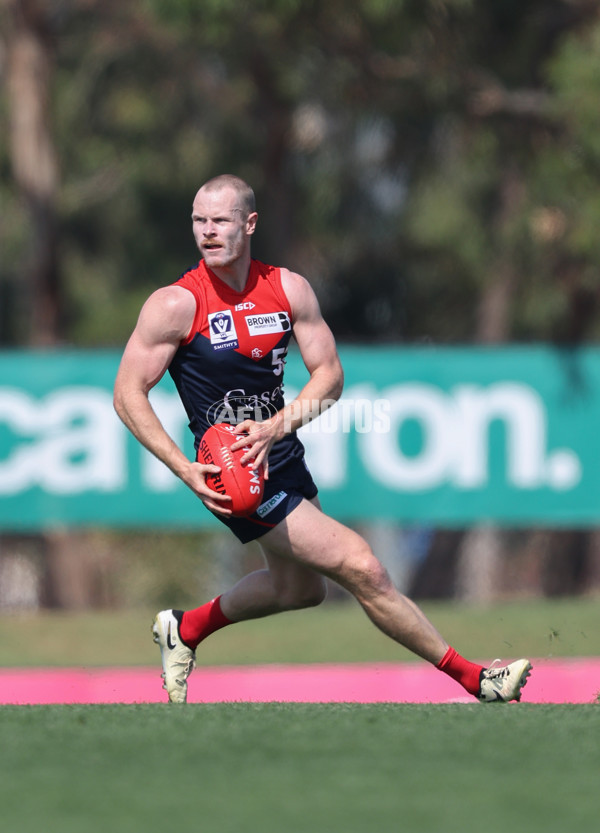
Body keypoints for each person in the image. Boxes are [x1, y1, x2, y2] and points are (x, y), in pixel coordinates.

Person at [113, 173, 532, 705]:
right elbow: (127, 393)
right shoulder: (175, 304)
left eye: (220, 220)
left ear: (250, 222)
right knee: (363, 566)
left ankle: (184, 629)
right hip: (233, 471)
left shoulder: (288, 288)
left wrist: (274, 427)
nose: (208, 232)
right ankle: (477, 679)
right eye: (199, 220)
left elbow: (329, 377)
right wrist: (184, 467)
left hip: (281, 452)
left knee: (299, 590)